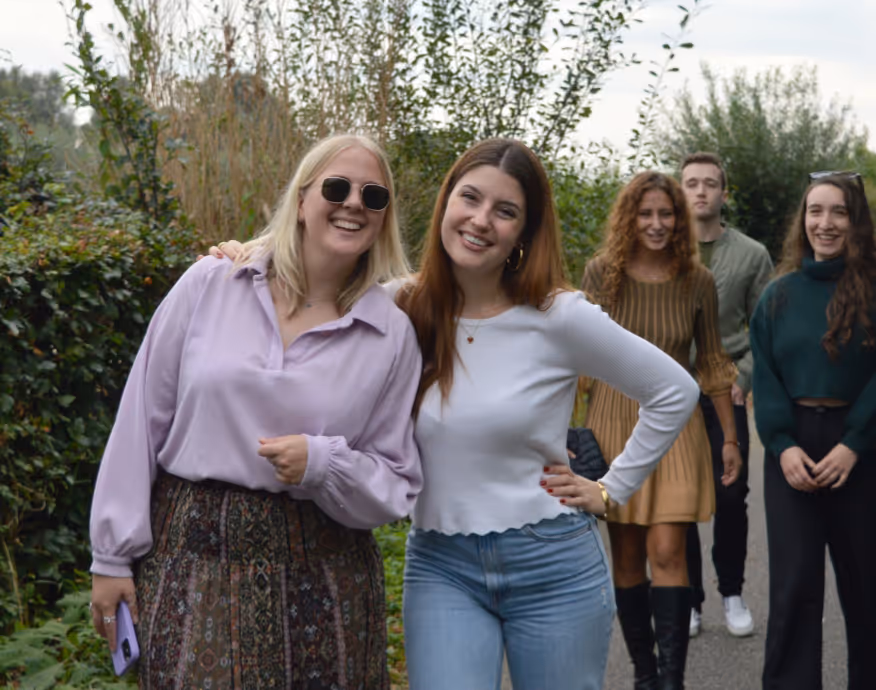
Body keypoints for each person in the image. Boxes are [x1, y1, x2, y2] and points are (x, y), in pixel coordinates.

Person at [214, 139, 701, 690]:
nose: (481, 220)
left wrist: (612, 489)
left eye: (506, 211)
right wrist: (251, 256)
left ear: (525, 231)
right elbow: (310, 284)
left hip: (552, 564)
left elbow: (674, 390)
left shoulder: (560, 317)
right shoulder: (399, 306)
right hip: (442, 567)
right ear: (446, 203)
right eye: (470, 198)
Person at [88, 134, 423, 689]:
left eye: (375, 196)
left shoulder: (389, 333)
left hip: (327, 577)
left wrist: (324, 464)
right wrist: (112, 556)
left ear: (385, 219)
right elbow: (141, 419)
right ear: (301, 198)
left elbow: (396, 480)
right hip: (193, 562)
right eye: (337, 187)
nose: (355, 203)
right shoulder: (211, 283)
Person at [581, 171, 742, 690]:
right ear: (630, 217)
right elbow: (574, 360)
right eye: (646, 213)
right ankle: (645, 674)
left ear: (679, 220)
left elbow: (714, 363)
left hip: (675, 426)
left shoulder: (698, 281)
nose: (656, 223)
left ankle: (672, 680)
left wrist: (732, 439)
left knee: (669, 549)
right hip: (612, 420)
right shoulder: (601, 274)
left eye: (665, 214)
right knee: (626, 554)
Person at [751, 172, 876, 690]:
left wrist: (854, 443)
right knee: (795, 587)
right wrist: (781, 446)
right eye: (815, 211)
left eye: (839, 212)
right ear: (803, 221)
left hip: (862, 448)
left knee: (867, 586)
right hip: (793, 450)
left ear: (857, 221)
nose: (825, 224)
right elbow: (766, 375)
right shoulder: (778, 297)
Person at [679, 152, 773, 639]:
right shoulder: (664, 249)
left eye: (710, 183)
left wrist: (746, 378)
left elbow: (764, 328)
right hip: (673, 392)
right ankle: (689, 600)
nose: (700, 191)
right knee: (681, 498)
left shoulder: (753, 254)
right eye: (691, 183)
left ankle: (732, 593)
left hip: (726, 392)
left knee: (731, 495)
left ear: (724, 193)